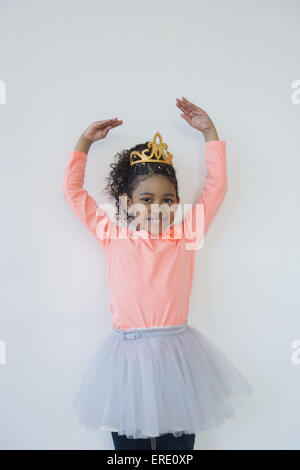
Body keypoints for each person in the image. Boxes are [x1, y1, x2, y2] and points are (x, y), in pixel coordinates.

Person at [62, 96, 253, 450]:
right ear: (127, 203)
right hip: (128, 363)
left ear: (177, 204)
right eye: (146, 199)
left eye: (167, 200)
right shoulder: (113, 237)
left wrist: (210, 133)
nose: (157, 208)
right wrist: (84, 143)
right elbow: (73, 193)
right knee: (130, 449)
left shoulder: (185, 236)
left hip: (176, 359)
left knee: (177, 448)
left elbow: (216, 190)